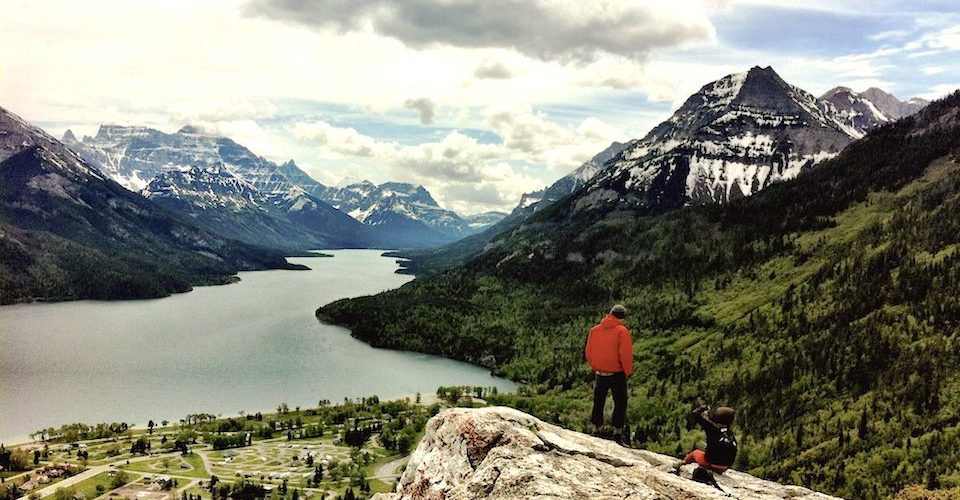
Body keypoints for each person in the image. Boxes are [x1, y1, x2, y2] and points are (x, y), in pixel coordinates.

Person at [585, 304, 633, 440]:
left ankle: (596, 429)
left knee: (598, 401)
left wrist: (595, 366)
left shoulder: (594, 330)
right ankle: (617, 432)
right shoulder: (621, 331)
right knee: (620, 402)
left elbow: (588, 352)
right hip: (616, 373)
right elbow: (625, 354)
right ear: (622, 317)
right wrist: (627, 371)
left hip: (600, 373)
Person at [680, 404, 738, 474]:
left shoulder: (713, 428)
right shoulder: (729, 433)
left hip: (710, 464)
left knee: (695, 452)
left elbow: (695, 413)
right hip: (724, 467)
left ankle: (680, 465)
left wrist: (703, 408)